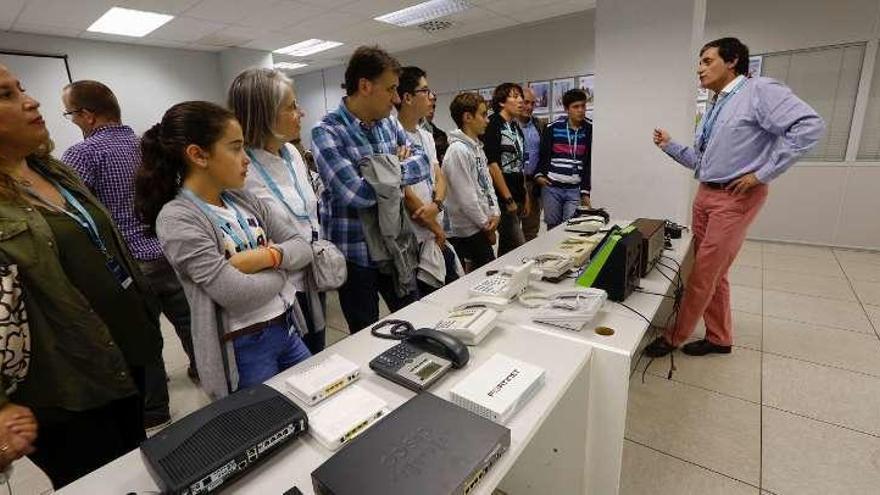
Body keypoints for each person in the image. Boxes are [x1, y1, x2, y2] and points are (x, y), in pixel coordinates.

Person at [0, 63, 163, 487]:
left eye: (21, 87)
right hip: (65, 387)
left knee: (136, 465)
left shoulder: (54, 169)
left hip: (120, 355)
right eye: (6, 95)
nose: (30, 100)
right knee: (99, 479)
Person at [645, 37, 824, 358]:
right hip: (706, 194)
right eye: (699, 62)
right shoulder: (717, 103)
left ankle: (674, 337)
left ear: (732, 61)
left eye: (707, 61)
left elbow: (809, 126)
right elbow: (703, 162)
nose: (699, 69)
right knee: (713, 272)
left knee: (702, 274)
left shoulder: (759, 91)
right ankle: (720, 337)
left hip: (735, 197)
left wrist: (762, 174)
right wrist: (669, 145)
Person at [135, 101, 314, 400]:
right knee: (270, 432)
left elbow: (302, 248)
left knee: (317, 403)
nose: (246, 159)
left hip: (286, 327)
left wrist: (265, 257)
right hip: (244, 347)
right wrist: (283, 269)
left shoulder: (241, 199)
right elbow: (236, 295)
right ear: (198, 155)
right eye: (235, 148)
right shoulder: (177, 218)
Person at [60, 80, 188, 430]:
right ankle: (205, 370)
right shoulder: (146, 146)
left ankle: (155, 409)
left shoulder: (81, 156)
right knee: (191, 323)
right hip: (170, 252)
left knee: (145, 338)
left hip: (130, 265)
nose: (72, 121)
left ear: (87, 115)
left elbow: (73, 217)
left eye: (70, 114)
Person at [311, 46, 431, 333]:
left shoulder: (389, 124)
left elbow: (423, 162)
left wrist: (382, 172)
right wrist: (394, 167)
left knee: (412, 323)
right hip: (357, 255)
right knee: (365, 336)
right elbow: (356, 194)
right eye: (390, 89)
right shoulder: (327, 131)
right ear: (365, 86)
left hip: (395, 245)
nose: (396, 98)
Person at [228, 68, 328, 355]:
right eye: (292, 107)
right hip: (279, 289)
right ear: (266, 115)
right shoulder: (241, 170)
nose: (301, 112)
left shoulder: (293, 153)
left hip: (311, 276)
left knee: (318, 357)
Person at [395, 66, 461, 295]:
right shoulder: (393, 135)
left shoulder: (425, 135)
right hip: (413, 236)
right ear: (407, 98)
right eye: (425, 90)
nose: (431, 96)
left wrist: (437, 205)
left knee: (449, 292)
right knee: (422, 299)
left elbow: (438, 175)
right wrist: (435, 227)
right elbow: (405, 193)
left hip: (434, 228)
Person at [444, 92, 500, 272]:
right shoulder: (457, 151)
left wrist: (496, 213)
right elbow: (466, 198)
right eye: (483, 115)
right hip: (466, 231)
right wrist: (487, 226)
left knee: (488, 274)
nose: (487, 120)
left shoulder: (476, 148)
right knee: (487, 276)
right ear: (467, 117)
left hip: (481, 225)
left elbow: (487, 186)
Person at [534, 88, 592, 229]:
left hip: (574, 188)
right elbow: (543, 154)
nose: (580, 110)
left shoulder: (590, 129)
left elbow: (589, 162)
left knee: (570, 227)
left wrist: (585, 191)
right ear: (567, 109)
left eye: (583, 106)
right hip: (552, 186)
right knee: (552, 227)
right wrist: (539, 175)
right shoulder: (553, 127)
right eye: (575, 107)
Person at [482, 83, 527, 255]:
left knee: (508, 247)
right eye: (515, 97)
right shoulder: (493, 124)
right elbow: (492, 164)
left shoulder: (515, 127)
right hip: (502, 196)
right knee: (520, 245)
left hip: (518, 192)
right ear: (501, 102)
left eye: (521, 96)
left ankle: (502, 279)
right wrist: (508, 199)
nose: (520, 101)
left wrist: (525, 195)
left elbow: (520, 163)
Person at [518, 87, 546, 241]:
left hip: (534, 183)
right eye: (525, 102)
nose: (529, 107)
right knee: (512, 231)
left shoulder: (540, 125)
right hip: (514, 184)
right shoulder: (507, 126)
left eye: (533, 103)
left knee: (531, 230)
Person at [422, 92, 449, 164]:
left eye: (433, 107)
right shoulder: (407, 131)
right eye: (428, 106)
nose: (432, 111)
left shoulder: (441, 136)